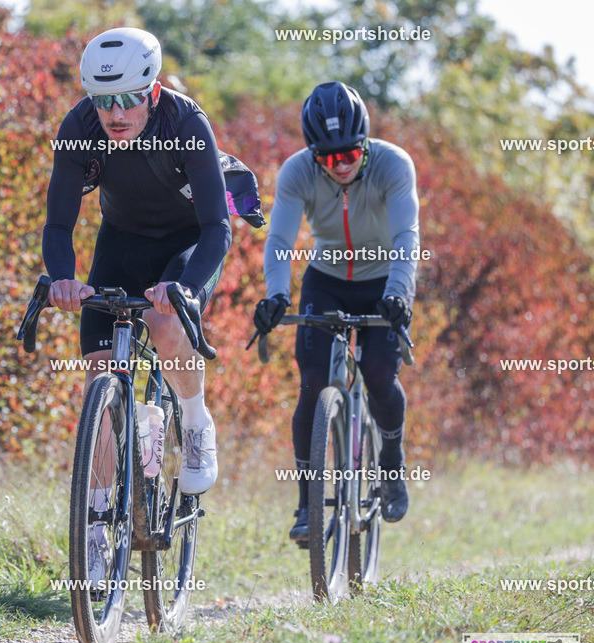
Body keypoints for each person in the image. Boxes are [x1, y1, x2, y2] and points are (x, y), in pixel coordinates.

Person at [41, 27, 232, 583]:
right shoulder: (79, 127)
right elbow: (58, 223)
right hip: (121, 243)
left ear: (152, 92)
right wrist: (63, 280)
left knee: (165, 324)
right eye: (103, 101)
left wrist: (186, 288)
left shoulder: (186, 123)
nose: (115, 113)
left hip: (187, 243)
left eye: (128, 99)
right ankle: (98, 526)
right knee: (100, 374)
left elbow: (217, 227)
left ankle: (194, 421)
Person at [254, 81, 420, 544]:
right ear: (313, 155)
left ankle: (391, 463)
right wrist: (276, 294)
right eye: (328, 159)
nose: (341, 165)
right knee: (312, 383)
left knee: (380, 374)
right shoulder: (297, 172)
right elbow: (280, 240)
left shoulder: (393, 164)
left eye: (349, 154)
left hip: (383, 280)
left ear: (365, 143)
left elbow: (406, 236)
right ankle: (307, 504)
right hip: (326, 279)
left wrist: (399, 293)